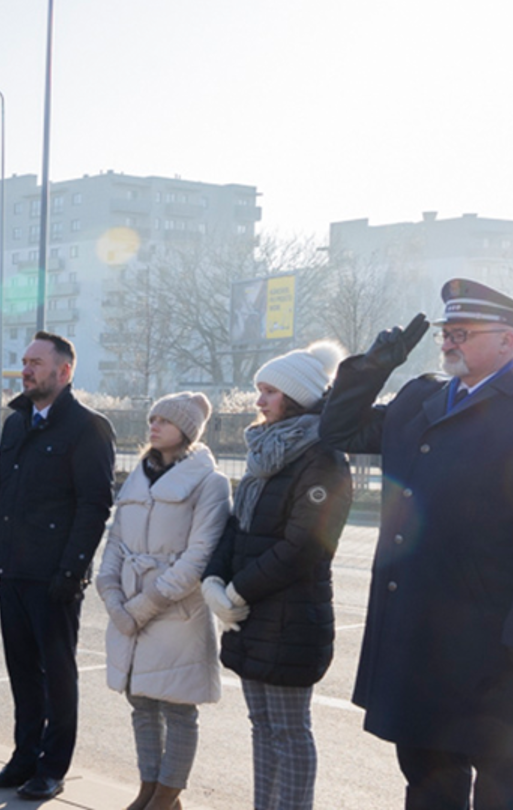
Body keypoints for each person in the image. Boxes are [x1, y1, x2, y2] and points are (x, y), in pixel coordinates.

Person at [324, 279, 513, 810]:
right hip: (419, 627)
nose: (448, 343)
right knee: (427, 777)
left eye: (462, 333)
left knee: (498, 777)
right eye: (445, 334)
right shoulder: (420, 397)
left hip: (496, 636)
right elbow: (339, 432)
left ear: (507, 341)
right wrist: (372, 367)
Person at [203, 340, 350, 810]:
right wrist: (213, 580)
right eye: (259, 390)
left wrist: (237, 589)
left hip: (290, 615)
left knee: (289, 730)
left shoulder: (323, 458)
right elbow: (237, 524)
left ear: (296, 396)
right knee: (262, 726)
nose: (259, 400)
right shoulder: (265, 452)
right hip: (251, 612)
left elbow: (304, 546)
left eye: (268, 391)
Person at [0, 331, 117, 800]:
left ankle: (52, 766)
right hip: (13, 568)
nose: (27, 369)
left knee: (57, 673)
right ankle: (23, 758)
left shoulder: (87, 427)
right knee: (21, 670)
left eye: (36, 362)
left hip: (53, 574)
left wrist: (73, 569)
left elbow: (94, 504)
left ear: (65, 371)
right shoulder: (16, 423)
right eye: (24, 361)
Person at [95, 392, 230, 810]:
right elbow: (116, 541)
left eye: (164, 421)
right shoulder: (138, 476)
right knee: (141, 704)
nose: (153, 426)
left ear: (186, 431)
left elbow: (200, 555)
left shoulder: (210, 482)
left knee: (178, 709)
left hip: (177, 611)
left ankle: (168, 794)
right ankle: (149, 790)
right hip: (131, 608)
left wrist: (143, 606)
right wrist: (111, 594)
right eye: (152, 418)